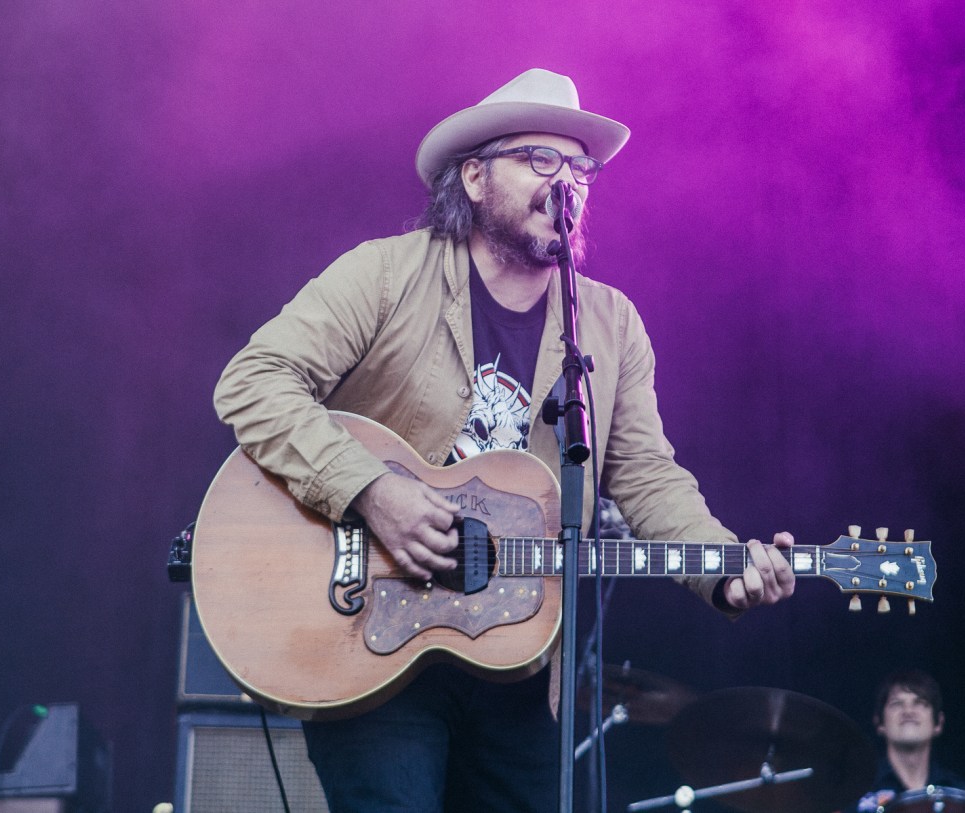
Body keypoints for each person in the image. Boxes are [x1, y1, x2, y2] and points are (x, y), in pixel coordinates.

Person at [213, 67, 797, 813]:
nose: (568, 183)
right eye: (541, 160)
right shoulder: (387, 275)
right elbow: (253, 380)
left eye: (580, 169)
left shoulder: (610, 325)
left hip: (516, 659)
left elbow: (646, 475)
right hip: (368, 639)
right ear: (476, 176)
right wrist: (372, 490)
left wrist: (723, 564)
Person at [850, 669, 965, 812]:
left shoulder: (961, 794)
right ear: (879, 723)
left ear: (938, 723)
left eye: (919, 703)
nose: (908, 711)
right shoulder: (856, 792)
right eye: (897, 703)